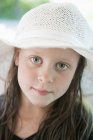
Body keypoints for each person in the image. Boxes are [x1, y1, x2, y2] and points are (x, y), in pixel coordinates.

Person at [0, 2, 93, 140]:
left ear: (77, 70)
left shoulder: (83, 129)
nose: (45, 77)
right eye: (36, 59)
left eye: (62, 65)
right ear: (18, 56)